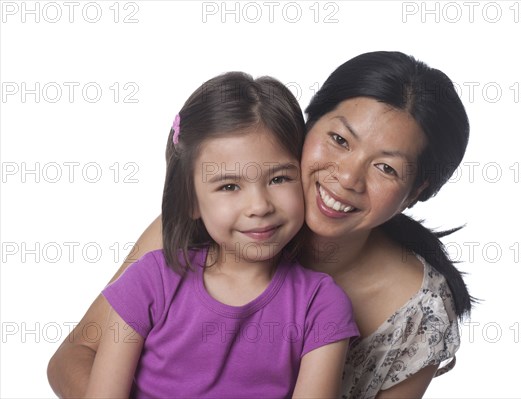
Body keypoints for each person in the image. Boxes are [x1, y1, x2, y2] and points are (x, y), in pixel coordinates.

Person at [48, 51, 474, 398]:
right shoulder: (204, 227)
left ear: (417, 190)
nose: (347, 178)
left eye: (385, 168)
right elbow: (73, 357)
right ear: (307, 127)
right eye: (339, 140)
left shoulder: (417, 316)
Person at [81, 72, 359, 398]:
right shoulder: (148, 282)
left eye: (279, 178)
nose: (259, 206)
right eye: (229, 186)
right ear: (190, 201)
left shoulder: (321, 306)